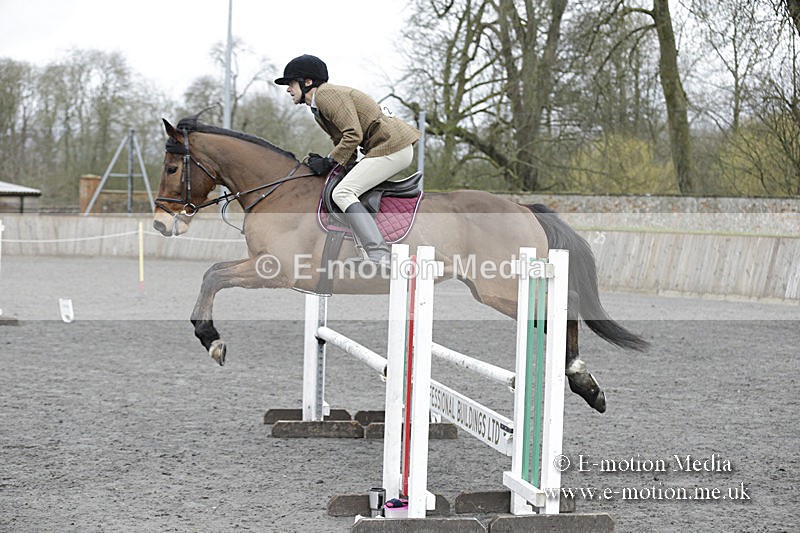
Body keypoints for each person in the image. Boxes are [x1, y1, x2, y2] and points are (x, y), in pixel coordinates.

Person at [275, 54, 420, 267]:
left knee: (342, 192)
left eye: (291, 83)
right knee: (342, 186)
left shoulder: (327, 95)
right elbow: (345, 142)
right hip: (384, 148)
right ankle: (361, 248)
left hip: (392, 148)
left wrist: (329, 160)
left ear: (308, 82)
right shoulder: (318, 108)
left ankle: (380, 254)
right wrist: (331, 165)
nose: (288, 89)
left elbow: (353, 135)